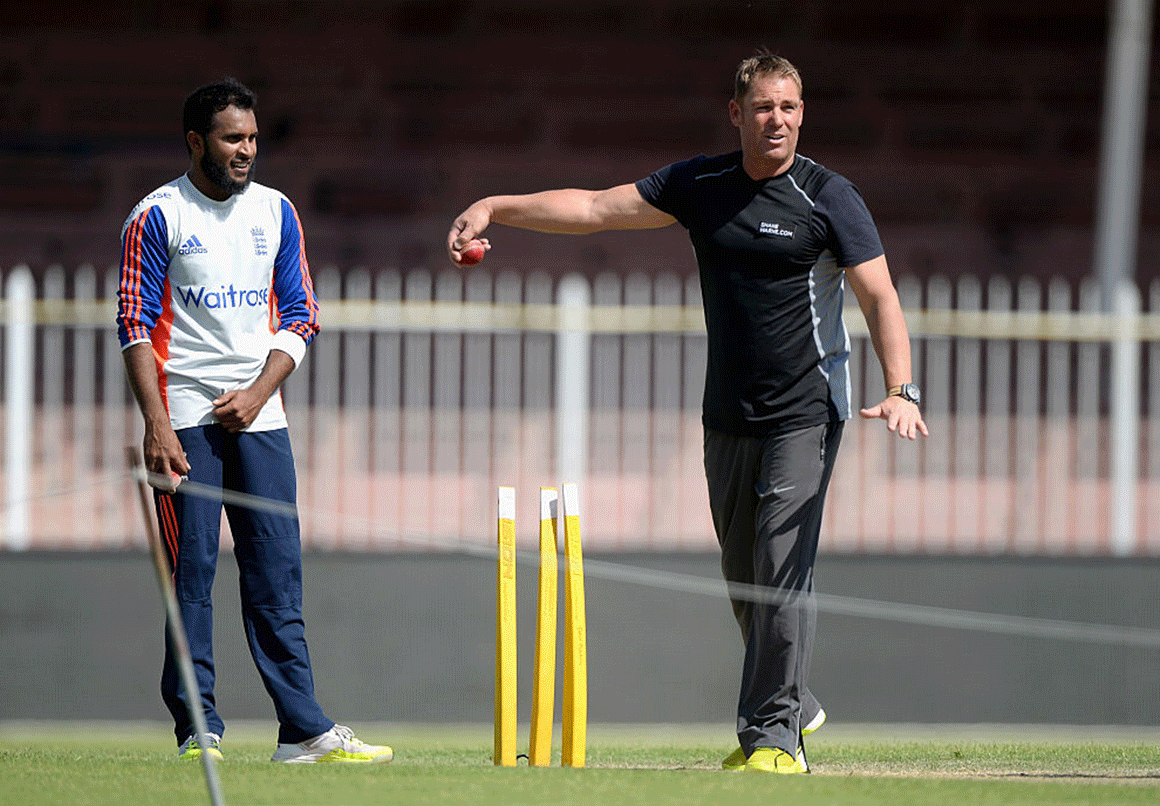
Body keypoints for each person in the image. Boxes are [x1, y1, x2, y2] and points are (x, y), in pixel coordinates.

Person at [447, 51, 927, 774]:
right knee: (744, 577)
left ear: (804, 114)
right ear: (737, 114)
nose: (778, 120)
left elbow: (880, 297)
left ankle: (773, 740)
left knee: (776, 568)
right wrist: (495, 207)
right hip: (726, 415)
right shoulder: (700, 184)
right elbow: (594, 208)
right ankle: (794, 698)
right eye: (764, 107)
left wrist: (901, 389)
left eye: (790, 108)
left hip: (807, 413)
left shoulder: (830, 197)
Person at [116, 78, 392, 765]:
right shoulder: (157, 216)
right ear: (195, 142)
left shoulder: (276, 211)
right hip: (184, 416)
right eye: (233, 138)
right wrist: (156, 426)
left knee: (276, 572)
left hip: (261, 417)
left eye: (253, 138)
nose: (247, 150)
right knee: (193, 571)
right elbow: (134, 324)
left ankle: (302, 731)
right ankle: (199, 729)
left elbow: (303, 315)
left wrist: (258, 390)